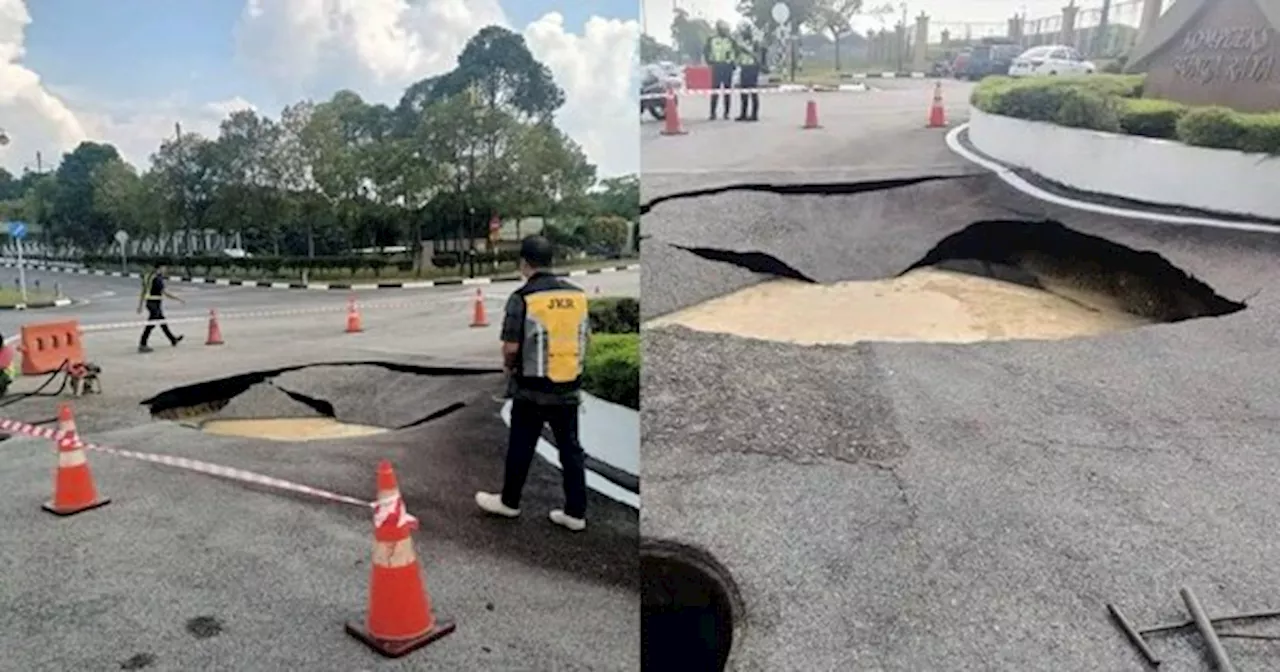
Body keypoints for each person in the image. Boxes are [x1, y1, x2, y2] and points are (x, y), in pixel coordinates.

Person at [475, 235, 591, 532]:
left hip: (532, 389)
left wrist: (508, 369)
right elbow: (586, 338)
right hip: (568, 385)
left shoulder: (523, 297)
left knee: (521, 446)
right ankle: (575, 513)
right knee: (571, 449)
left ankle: (509, 502)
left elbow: (511, 346)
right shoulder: (578, 296)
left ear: (524, 263)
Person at [137, 261, 185, 353]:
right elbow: (165, 293)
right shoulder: (157, 279)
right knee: (151, 324)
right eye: (164, 268)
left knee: (163, 322)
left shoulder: (148, 276)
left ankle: (172, 339)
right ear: (159, 268)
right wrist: (178, 299)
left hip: (150, 303)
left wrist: (140, 305)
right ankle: (142, 344)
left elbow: (143, 291)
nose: (165, 270)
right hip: (154, 304)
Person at [704, 20, 737, 120]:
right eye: (722, 29)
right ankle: (712, 113)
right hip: (717, 67)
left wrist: (733, 63)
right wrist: (709, 62)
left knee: (727, 92)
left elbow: (736, 52)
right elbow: (706, 51)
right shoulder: (712, 39)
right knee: (715, 91)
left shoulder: (731, 40)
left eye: (725, 29)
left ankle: (726, 113)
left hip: (727, 67)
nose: (724, 31)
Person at [734, 23, 764, 121]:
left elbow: (757, 57)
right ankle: (743, 114)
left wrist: (746, 50)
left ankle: (754, 115)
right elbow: (739, 56)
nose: (744, 34)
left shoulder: (755, 43)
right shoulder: (742, 43)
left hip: (752, 68)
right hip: (744, 68)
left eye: (745, 32)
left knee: (753, 92)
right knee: (743, 92)